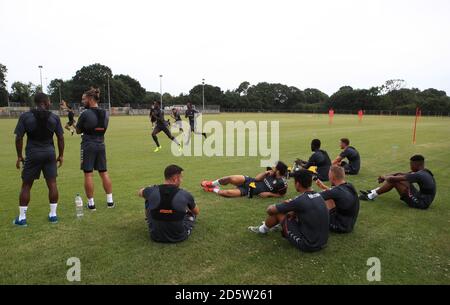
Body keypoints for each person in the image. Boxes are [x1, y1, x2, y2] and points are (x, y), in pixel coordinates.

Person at [13, 92, 64, 226]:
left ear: (36, 103)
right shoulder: (54, 117)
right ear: (45, 102)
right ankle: (53, 215)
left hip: (33, 153)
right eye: (49, 102)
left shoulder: (25, 117)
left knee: (26, 185)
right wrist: (61, 155)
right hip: (49, 153)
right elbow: (60, 137)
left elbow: (19, 137)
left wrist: (19, 156)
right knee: (52, 183)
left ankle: (22, 218)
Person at [248, 169, 329, 253]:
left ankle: (262, 229)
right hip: (323, 241)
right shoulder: (319, 195)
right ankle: (277, 225)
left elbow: (270, 210)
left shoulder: (299, 200)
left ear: (297, 184)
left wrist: (283, 204)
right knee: (292, 211)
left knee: (279, 212)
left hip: (309, 245)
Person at [138, 165, 199, 243]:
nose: (181, 180)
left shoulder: (152, 190)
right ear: (175, 179)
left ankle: (151, 220)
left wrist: (151, 188)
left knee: (148, 198)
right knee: (191, 212)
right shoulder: (184, 194)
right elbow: (197, 211)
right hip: (179, 237)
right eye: (181, 177)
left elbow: (140, 192)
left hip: (155, 236)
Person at [76, 88, 114, 210]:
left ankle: (91, 203)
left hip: (88, 145)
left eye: (84, 99)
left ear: (90, 99)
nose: (82, 101)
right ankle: (110, 201)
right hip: (101, 145)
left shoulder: (85, 113)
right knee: (104, 172)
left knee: (88, 174)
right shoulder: (105, 113)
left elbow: (78, 130)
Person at [359, 155, 436, 210]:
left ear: (416, 165)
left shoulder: (418, 175)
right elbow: (400, 174)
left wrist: (384, 177)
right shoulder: (424, 171)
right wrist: (386, 176)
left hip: (421, 203)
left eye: (411, 164)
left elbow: (393, 179)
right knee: (397, 177)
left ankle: (370, 196)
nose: (410, 167)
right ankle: (373, 192)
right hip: (421, 196)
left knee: (395, 181)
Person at [201, 161, 289, 198]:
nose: (272, 167)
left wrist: (269, 194)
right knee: (230, 178)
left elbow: (281, 195)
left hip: (249, 190)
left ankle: (212, 189)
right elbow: (256, 178)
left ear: (278, 170)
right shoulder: (270, 172)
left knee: (226, 193)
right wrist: (265, 173)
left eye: (275, 167)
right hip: (249, 180)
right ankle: (211, 183)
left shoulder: (282, 183)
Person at [316, 165, 360, 233]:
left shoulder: (335, 192)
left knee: (314, 203)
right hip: (349, 224)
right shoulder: (349, 186)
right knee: (328, 196)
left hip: (340, 227)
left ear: (332, 177)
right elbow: (335, 193)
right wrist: (323, 186)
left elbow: (313, 198)